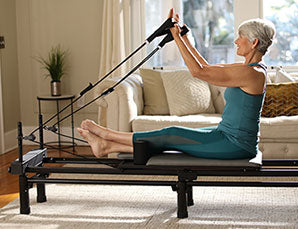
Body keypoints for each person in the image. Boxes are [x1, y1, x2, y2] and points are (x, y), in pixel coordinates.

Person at [77, 8, 276, 159]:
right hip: (224, 133)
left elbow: (198, 72)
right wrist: (185, 38)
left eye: (240, 37)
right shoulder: (246, 69)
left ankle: (106, 134)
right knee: (174, 136)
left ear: (254, 42)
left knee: (172, 134)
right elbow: (205, 65)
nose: (236, 41)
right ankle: (109, 146)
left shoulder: (253, 74)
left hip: (236, 144)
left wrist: (175, 37)